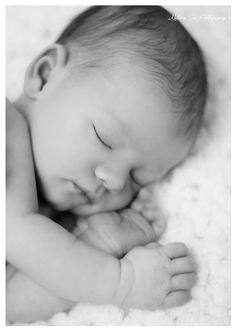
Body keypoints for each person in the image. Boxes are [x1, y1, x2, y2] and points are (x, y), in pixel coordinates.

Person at [6, 6, 207, 323]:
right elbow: (20, 234)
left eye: (136, 178)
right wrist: (123, 282)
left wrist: (97, 243)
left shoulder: (47, 228)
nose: (114, 180)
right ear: (44, 76)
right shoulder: (7, 128)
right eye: (104, 139)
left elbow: (11, 304)